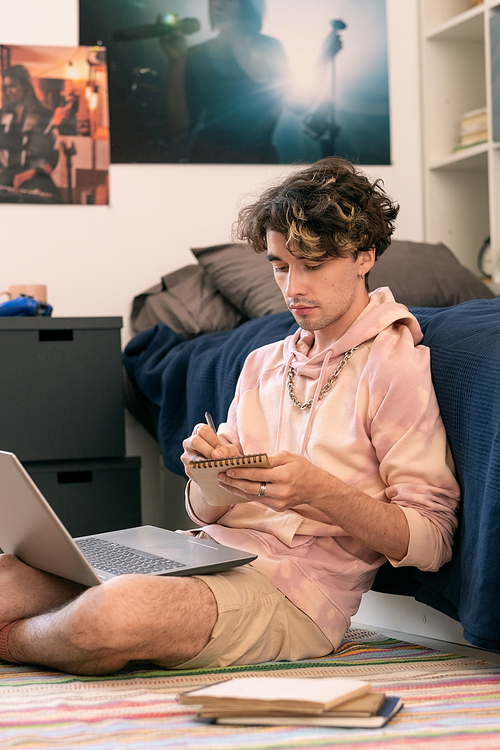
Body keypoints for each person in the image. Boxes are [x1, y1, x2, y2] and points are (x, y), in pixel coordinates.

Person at [0, 158, 460, 675]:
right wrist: (210, 475)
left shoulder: (394, 361)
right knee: (5, 577)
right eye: (281, 266)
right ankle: (57, 629)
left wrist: (318, 490)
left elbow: (433, 539)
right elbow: (205, 512)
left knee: (113, 614)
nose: (293, 289)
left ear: (363, 256)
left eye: (313, 265)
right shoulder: (263, 362)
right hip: (206, 553)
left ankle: (18, 641)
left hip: (296, 594)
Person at [161, 0, 289, 163]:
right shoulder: (195, 55)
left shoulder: (269, 46)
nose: (218, 5)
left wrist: (325, 56)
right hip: (211, 162)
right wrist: (177, 62)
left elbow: (295, 105)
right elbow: (177, 132)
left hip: (260, 162)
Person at [0, 65, 62, 203]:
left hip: (34, 176)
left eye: (13, 86)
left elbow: (52, 154)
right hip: (5, 178)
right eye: (5, 87)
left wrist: (32, 172)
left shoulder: (42, 115)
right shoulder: (2, 115)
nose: (8, 91)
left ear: (25, 86)